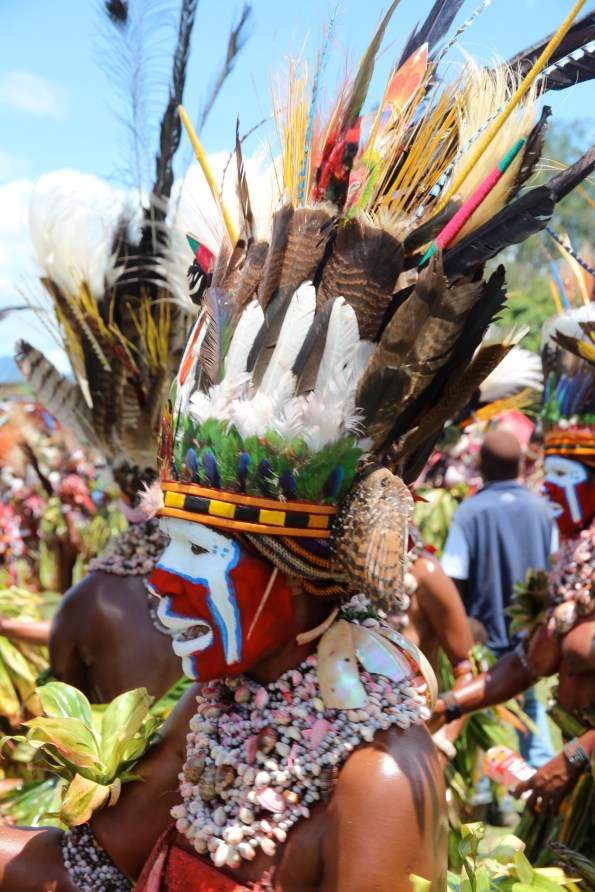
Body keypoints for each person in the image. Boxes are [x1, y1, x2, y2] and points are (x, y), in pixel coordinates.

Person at [2, 3, 595, 889]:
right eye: (167, 544)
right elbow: (88, 865)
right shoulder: (219, 707)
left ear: (307, 563)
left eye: (198, 550)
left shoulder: (378, 779)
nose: (159, 579)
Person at [432, 299, 595, 864]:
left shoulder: (480, 512)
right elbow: (531, 662)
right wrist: (448, 705)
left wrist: (578, 756)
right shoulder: (577, 555)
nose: (548, 492)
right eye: (547, 473)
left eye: (565, 477)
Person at [441, 427, 557, 777]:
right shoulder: (544, 510)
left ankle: (488, 798)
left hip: (483, 642)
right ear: (521, 466)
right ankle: (540, 787)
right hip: (531, 642)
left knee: (479, 723)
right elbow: (555, 569)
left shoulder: (469, 513)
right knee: (531, 717)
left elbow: (452, 579)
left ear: (481, 467)